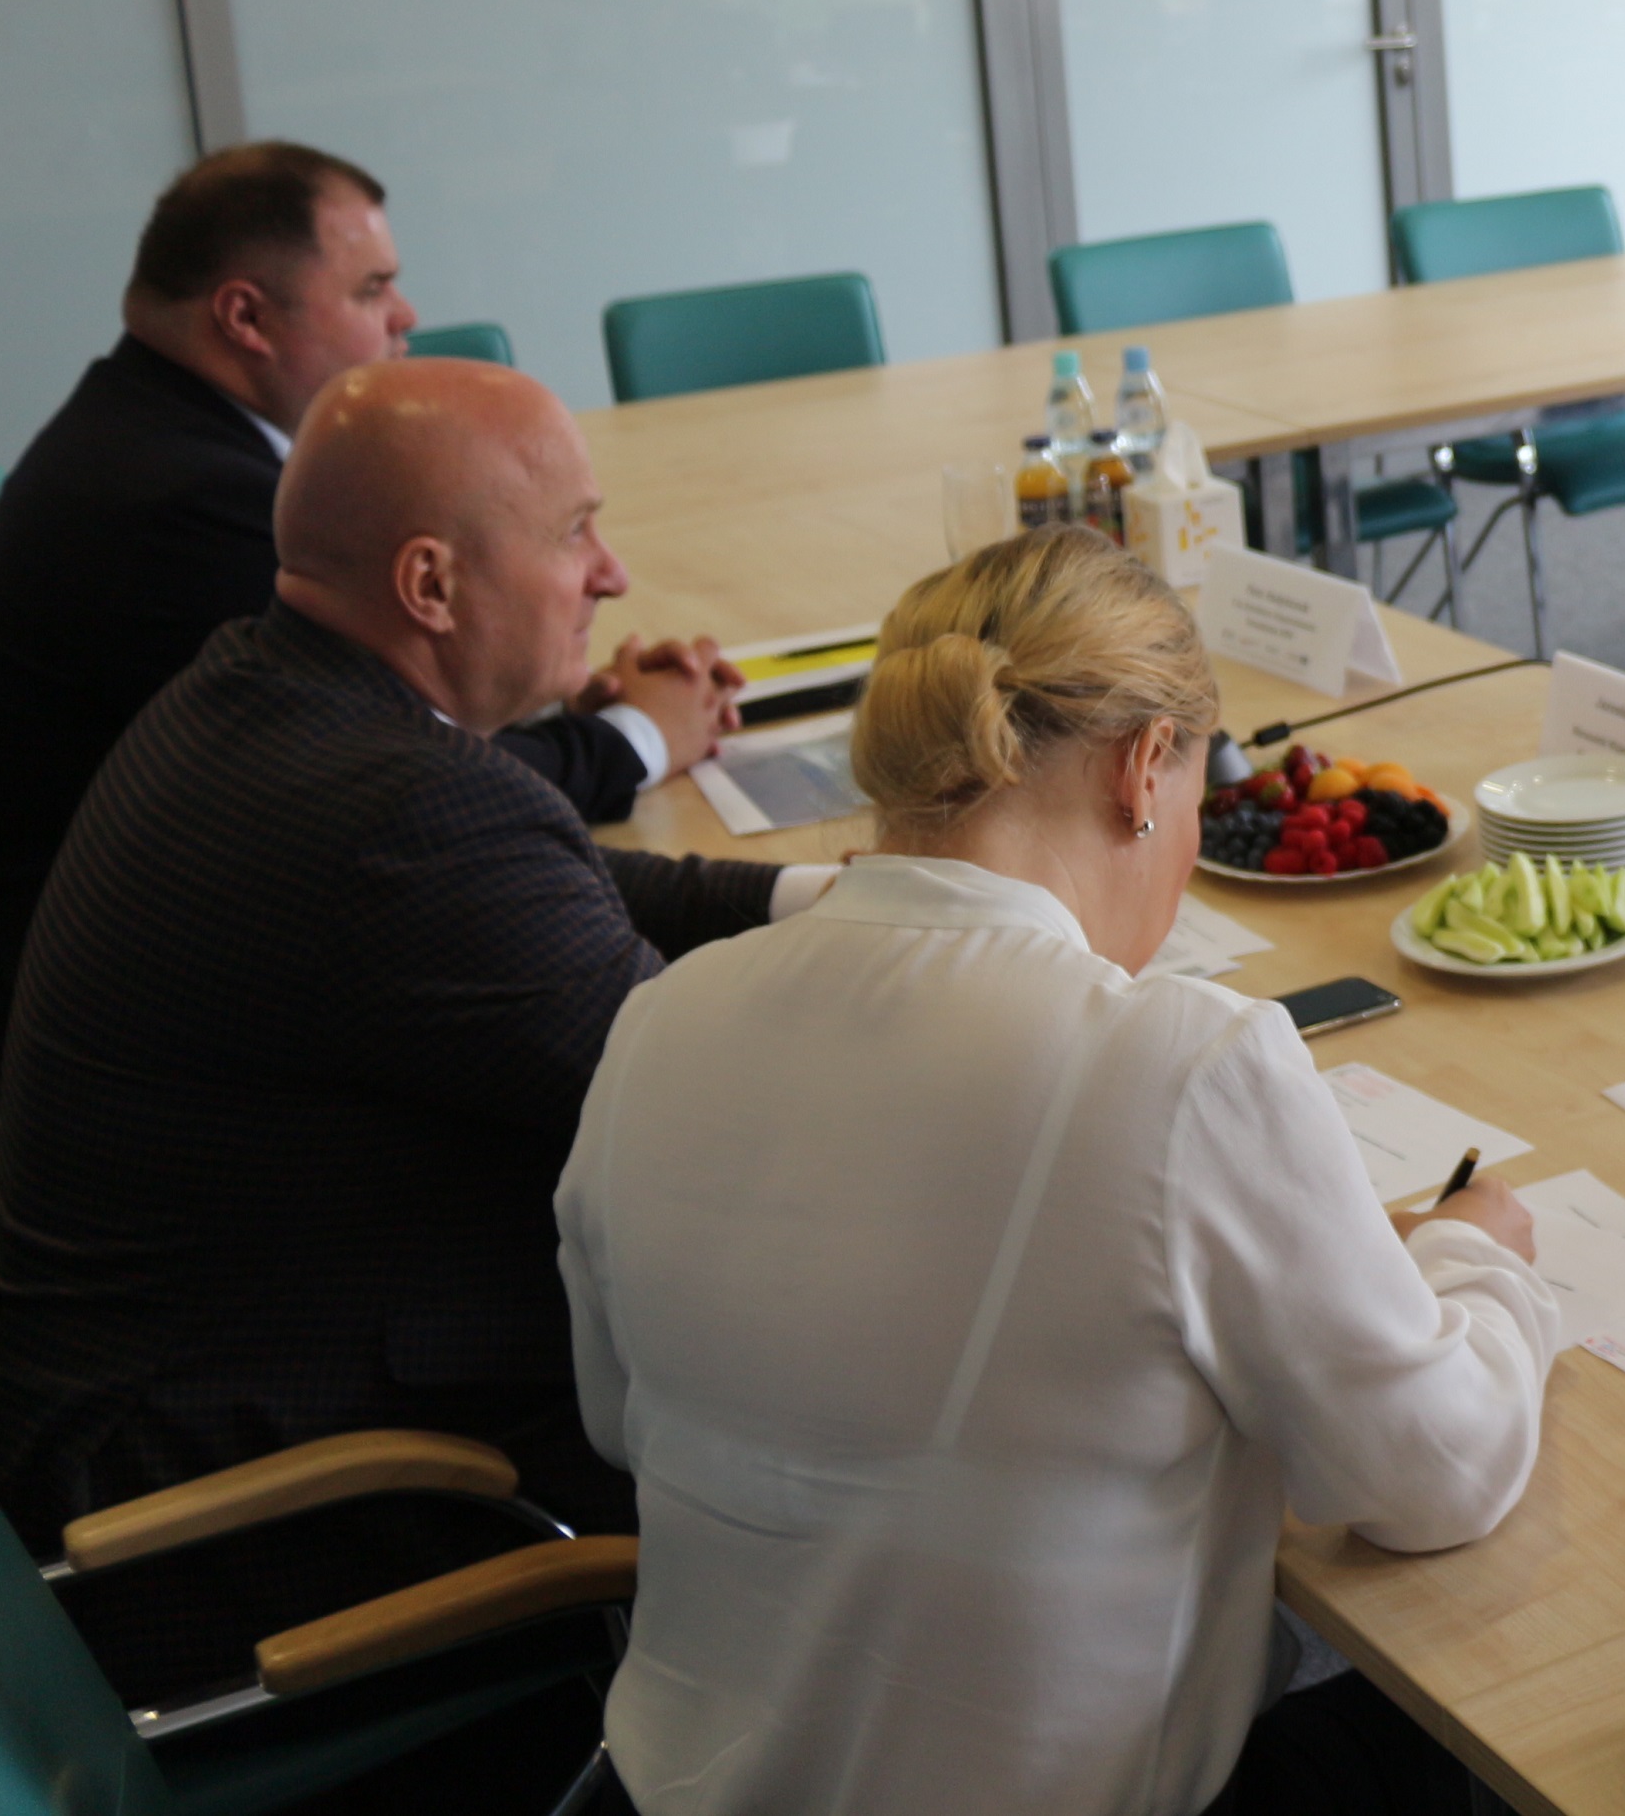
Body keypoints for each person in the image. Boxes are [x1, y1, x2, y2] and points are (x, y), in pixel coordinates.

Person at [556, 527, 1557, 1816]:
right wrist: (1473, 1255)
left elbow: (610, 1406)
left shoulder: (660, 1019)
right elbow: (1434, 1475)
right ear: (1145, 769)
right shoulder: (1179, 1060)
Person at [0, 356, 828, 1686]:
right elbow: (727, 1113)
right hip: (218, 1517)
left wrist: (819, 899)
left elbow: (553, 880)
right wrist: (963, 987)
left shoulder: (270, 687)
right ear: (429, 584)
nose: (612, 575)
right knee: (846, 1395)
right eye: (576, 531)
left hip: (143, 1390)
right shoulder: (394, 812)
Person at [0, 140, 743, 1136]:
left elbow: (392, 732)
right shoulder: (187, 504)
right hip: (18, 1036)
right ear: (244, 316)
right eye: (373, 287)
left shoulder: (147, 432)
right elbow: (403, 786)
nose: (406, 314)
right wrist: (638, 735)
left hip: (86, 973)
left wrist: (530, 678)